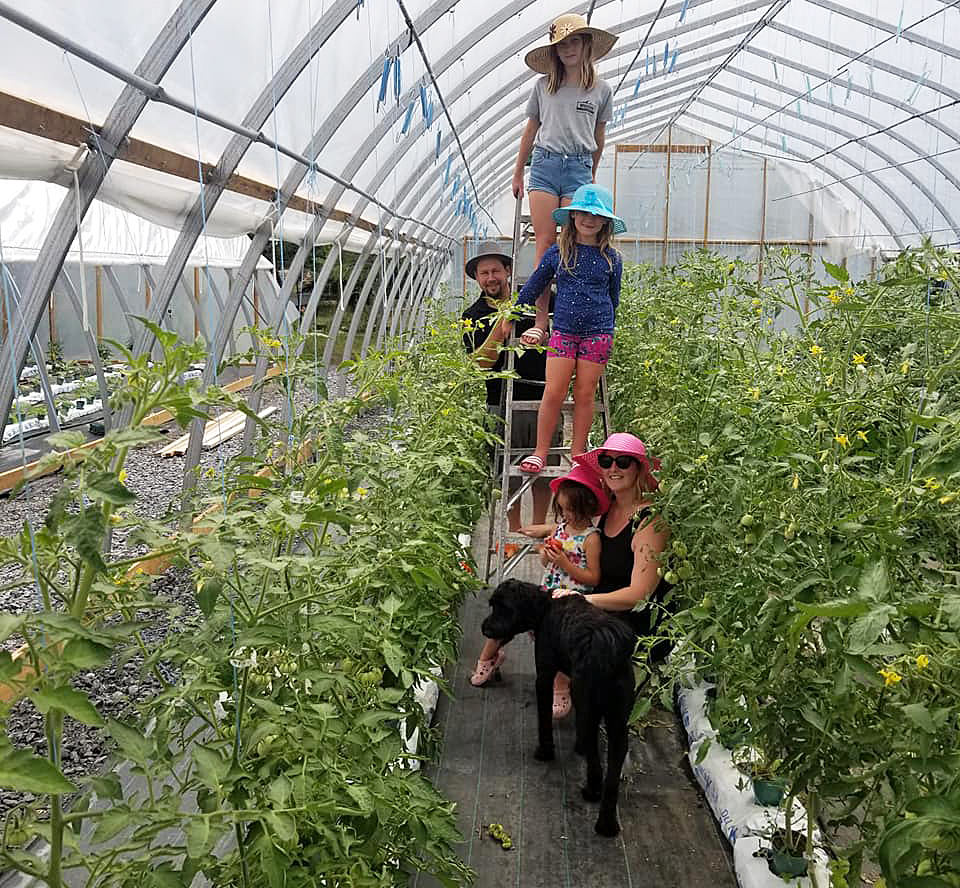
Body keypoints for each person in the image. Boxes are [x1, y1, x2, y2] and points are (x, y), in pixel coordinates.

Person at [512, 12, 617, 346]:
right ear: (554, 51)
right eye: (561, 44)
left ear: (586, 45)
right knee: (545, 245)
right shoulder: (544, 86)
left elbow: (599, 139)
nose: (568, 48)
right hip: (544, 166)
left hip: (578, 169)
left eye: (574, 41)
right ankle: (541, 322)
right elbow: (531, 130)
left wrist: (591, 177)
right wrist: (518, 171)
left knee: (572, 243)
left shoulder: (601, 90)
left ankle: (572, 320)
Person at [514, 183, 625, 474]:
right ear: (572, 216)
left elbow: (614, 298)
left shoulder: (612, 258)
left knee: (585, 394)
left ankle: (578, 453)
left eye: (596, 215)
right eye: (583, 213)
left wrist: (608, 329)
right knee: (554, 392)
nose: (589, 219)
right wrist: (514, 310)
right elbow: (537, 283)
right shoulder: (557, 253)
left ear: (605, 222)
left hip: (598, 332)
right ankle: (540, 451)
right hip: (563, 330)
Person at [470, 464, 609, 690]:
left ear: (588, 507)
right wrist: (547, 554)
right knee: (509, 615)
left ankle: (560, 685)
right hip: (548, 592)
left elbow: (593, 578)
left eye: (571, 510)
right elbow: (546, 563)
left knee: (556, 641)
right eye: (562, 509)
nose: (565, 515)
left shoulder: (591, 538)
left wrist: (564, 563)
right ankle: (487, 659)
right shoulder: (561, 528)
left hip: (573, 600)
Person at [460, 241, 559, 540]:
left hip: (543, 400)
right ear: (477, 278)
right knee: (508, 475)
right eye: (484, 273)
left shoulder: (539, 302)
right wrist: (500, 330)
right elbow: (479, 364)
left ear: (507, 271)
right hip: (500, 405)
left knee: (546, 472)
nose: (491, 278)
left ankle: (539, 528)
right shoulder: (473, 315)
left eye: (496, 271)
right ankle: (515, 534)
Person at [574, 433, 671, 641]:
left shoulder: (651, 521)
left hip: (636, 625)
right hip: (603, 614)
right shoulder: (608, 508)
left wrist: (583, 600)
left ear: (639, 469)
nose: (613, 469)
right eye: (606, 461)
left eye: (623, 462)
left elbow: (639, 595)